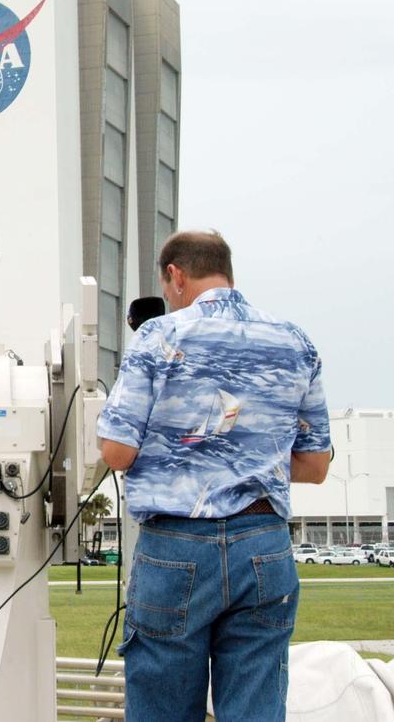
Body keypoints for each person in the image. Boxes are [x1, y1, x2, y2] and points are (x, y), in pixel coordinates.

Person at [97, 230, 331, 722]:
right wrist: (244, 454)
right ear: (226, 271)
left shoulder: (159, 336)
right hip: (263, 544)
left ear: (175, 276)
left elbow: (116, 452)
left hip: (177, 547)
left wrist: (190, 450)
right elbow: (314, 465)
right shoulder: (295, 341)